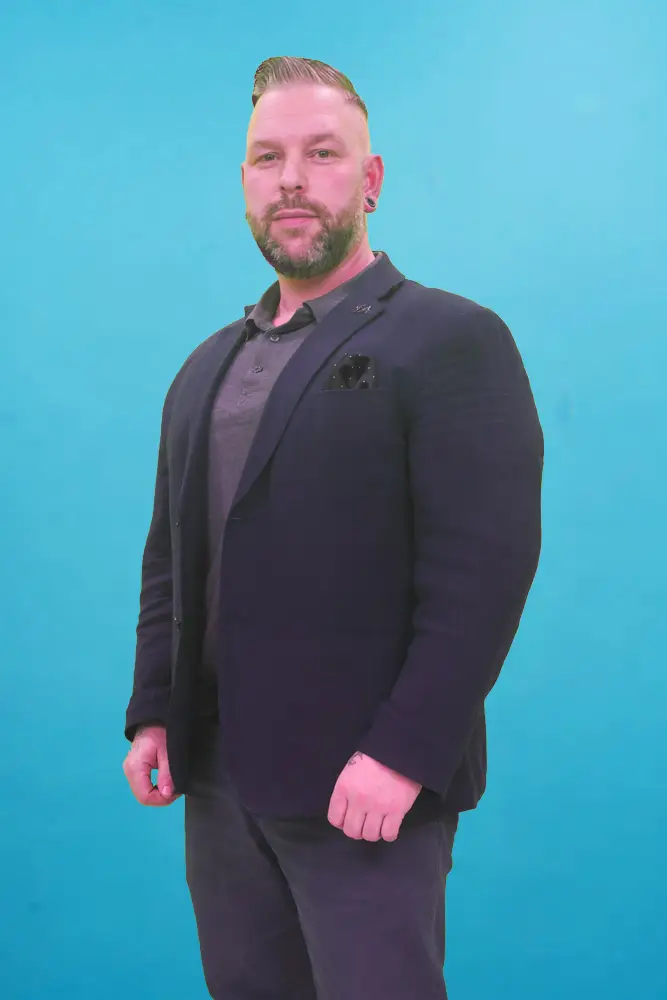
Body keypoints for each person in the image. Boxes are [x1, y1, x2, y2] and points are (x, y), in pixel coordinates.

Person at [122, 55, 544, 1000]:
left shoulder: (449, 339)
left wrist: (402, 755)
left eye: (321, 153)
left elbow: (484, 575)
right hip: (218, 781)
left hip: (366, 789)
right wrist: (155, 708)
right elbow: (171, 559)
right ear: (245, 182)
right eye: (268, 158)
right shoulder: (204, 366)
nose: (292, 180)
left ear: (370, 178)